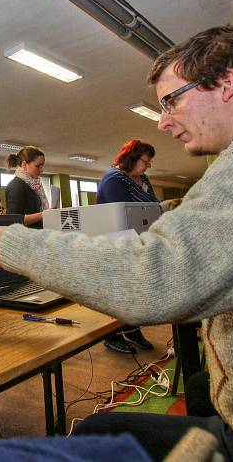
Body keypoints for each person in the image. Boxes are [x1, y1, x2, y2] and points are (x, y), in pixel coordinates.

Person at [0, 24, 233, 461]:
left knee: (85, 442)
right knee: (104, 426)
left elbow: (154, 278)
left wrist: (15, 246)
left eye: (172, 100)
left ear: (228, 84)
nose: (165, 120)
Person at [97, 139, 159, 354]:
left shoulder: (142, 179)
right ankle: (112, 335)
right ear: (132, 158)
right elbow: (124, 212)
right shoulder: (114, 179)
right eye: (145, 161)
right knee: (119, 292)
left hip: (136, 240)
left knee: (134, 290)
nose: (147, 166)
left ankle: (132, 329)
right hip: (116, 242)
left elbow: (154, 205)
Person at [4, 146, 48, 228]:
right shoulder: (16, 186)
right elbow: (15, 221)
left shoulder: (34, 186)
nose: (41, 170)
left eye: (42, 166)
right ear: (24, 164)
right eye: (38, 166)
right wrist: (45, 214)